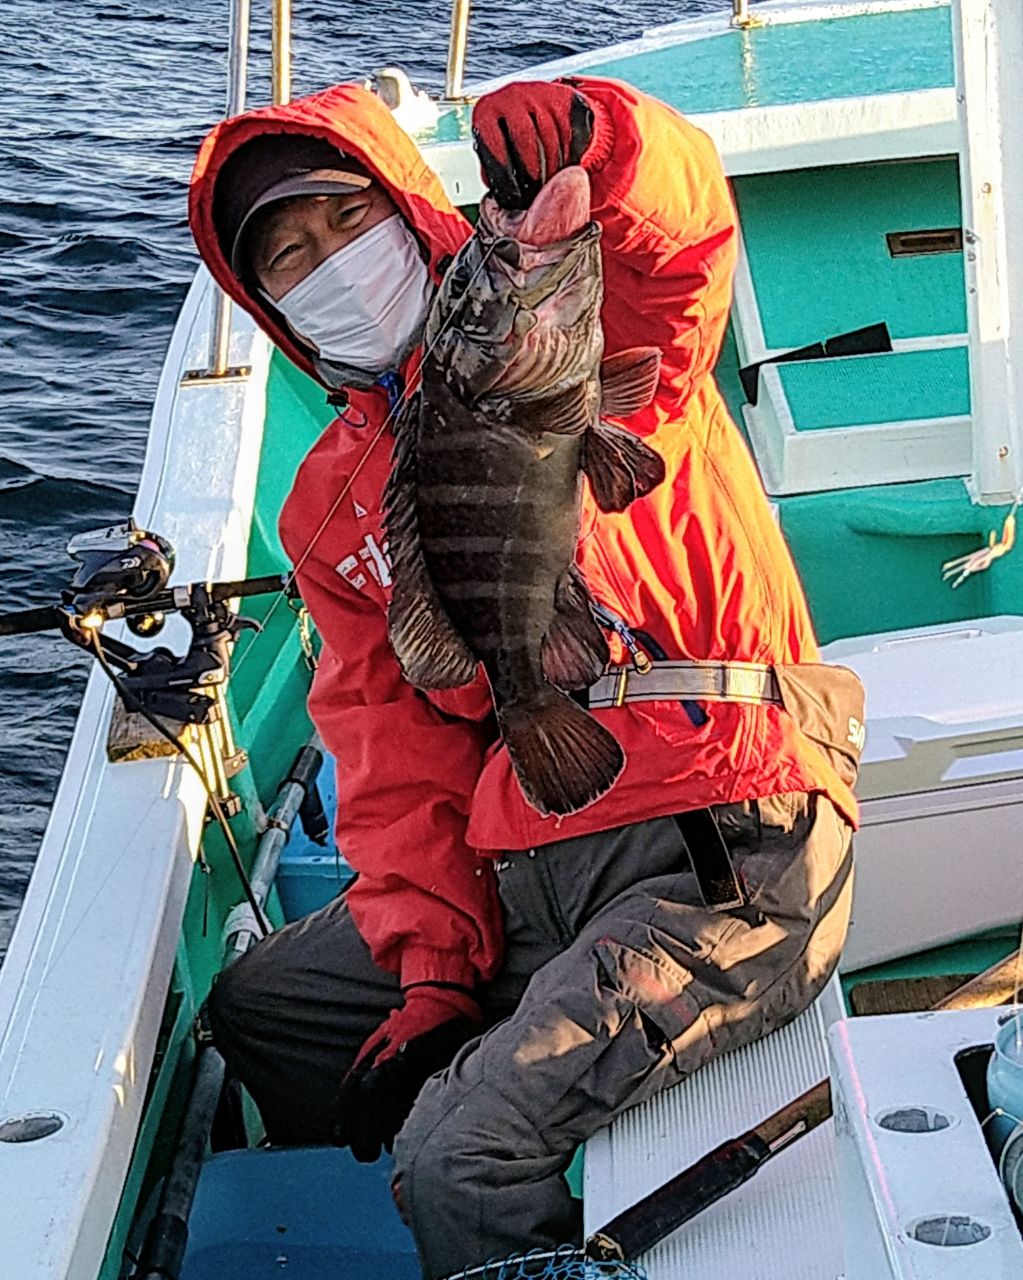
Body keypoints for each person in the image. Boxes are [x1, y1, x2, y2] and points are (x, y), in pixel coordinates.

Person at [189, 75, 862, 1278]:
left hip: (728, 830)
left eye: (347, 219)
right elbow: (397, 768)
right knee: (262, 1005)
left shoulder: (609, 349)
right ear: (270, 309)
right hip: (534, 856)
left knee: (456, 1156)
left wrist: (602, 141)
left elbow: (685, 229)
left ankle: (488, 1163)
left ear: (409, 206)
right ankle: (348, 1204)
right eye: (286, 257)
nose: (331, 263)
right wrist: (434, 977)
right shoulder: (328, 507)